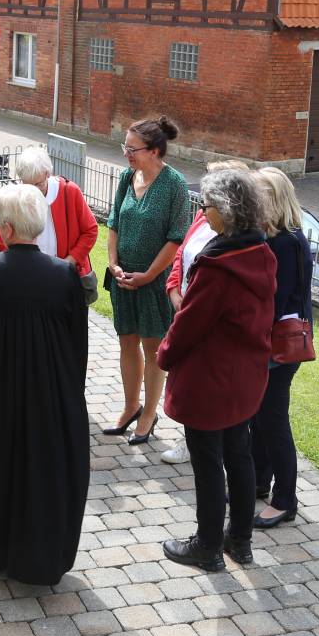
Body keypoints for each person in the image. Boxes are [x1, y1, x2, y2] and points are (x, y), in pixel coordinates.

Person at [0, 183, 90, 584]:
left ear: (5, 229)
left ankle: (0, 550)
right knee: (45, 470)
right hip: (51, 393)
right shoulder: (64, 274)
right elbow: (78, 340)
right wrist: (71, 391)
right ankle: (44, 554)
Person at [156, 169, 276, 571]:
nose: (203, 213)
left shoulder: (218, 267)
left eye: (206, 206)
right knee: (239, 455)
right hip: (245, 378)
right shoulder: (261, 253)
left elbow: (189, 324)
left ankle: (207, 545)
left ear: (226, 210)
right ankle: (239, 540)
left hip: (210, 381)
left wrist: (165, 355)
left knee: (207, 463)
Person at [103, 116, 191, 444]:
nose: (126, 153)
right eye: (124, 146)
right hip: (124, 278)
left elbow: (176, 237)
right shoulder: (127, 177)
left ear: (154, 151)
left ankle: (150, 415)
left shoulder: (175, 185)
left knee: (152, 347)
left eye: (132, 148)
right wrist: (113, 264)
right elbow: (113, 222)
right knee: (127, 341)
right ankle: (130, 407)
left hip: (153, 282)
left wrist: (149, 275)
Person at [157, 160, 250, 465]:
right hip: (184, 306)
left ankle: (204, 445)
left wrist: (190, 309)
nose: (204, 201)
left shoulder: (237, 239)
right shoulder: (201, 218)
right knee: (190, 384)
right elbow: (182, 255)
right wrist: (173, 290)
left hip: (205, 320)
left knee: (203, 390)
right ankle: (190, 439)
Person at [252, 167, 313, 530]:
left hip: (279, 347)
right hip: (269, 345)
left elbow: (277, 300)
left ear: (273, 200)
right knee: (259, 418)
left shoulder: (287, 243)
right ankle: (260, 481)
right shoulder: (274, 237)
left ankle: (285, 499)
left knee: (273, 422)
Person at [0, 147, 99, 295]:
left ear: (47, 174)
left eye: (38, 184)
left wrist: (69, 261)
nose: (33, 191)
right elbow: (1, 238)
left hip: (67, 277)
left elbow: (90, 230)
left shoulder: (69, 191)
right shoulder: (14, 198)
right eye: (27, 185)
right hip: (28, 278)